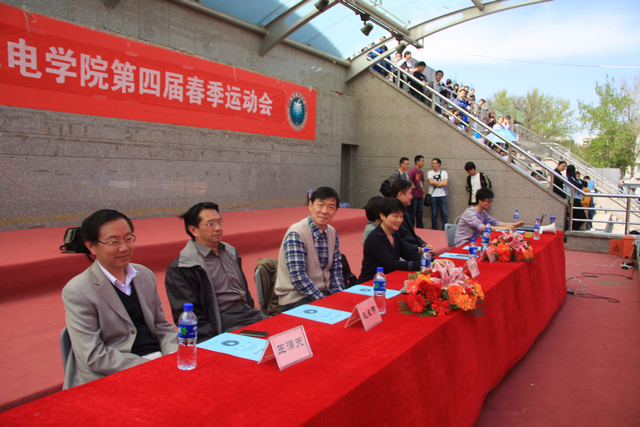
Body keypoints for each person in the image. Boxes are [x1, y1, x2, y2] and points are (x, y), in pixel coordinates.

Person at [62, 210, 178, 389]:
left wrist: (172, 355)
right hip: (114, 373)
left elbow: (162, 326)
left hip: (158, 360)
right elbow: (93, 356)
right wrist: (151, 367)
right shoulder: (78, 291)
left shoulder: (144, 275)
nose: (124, 248)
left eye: (128, 239)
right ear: (91, 246)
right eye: (113, 242)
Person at [165, 202, 262, 343]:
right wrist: (212, 343)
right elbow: (189, 315)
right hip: (222, 323)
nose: (218, 228)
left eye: (220, 222)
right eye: (210, 224)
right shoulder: (182, 267)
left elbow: (245, 292)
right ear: (193, 230)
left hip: (249, 313)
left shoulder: (230, 252)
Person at [275, 187, 345, 311]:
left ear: (336, 210)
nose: (325, 211)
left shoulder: (332, 233)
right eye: (320, 205)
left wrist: (338, 297)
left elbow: (336, 270)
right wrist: (326, 302)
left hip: (324, 294)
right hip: (296, 299)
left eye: (331, 207)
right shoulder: (297, 234)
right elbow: (299, 278)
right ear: (310, 205)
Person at [359, 198, 421, 283]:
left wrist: (433, 261)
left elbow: (410, 255)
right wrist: (423, 265)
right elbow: (391, 264)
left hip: (388, 280)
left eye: (401, 216)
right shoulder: (375, 237)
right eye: (395, 216)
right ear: (383, 216)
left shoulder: (394, 234)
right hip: (371, 283)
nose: (399, 220)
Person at [454, 188, 525, 247]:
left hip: (475, 242)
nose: (490, 204)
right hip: (463, 243)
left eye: (491, 201)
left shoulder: (483, 212)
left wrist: (514, 224)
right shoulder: (470, 213)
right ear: (480, 201)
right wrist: (504, 228)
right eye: (488, 201)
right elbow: (482, 227)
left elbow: (495, 222)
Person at [391, 179, 431, 255]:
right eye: (410, 193)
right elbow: (398, 242)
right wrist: (419, 250)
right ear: (400, 195)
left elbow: (412, 235)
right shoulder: (391, 215)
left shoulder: (405, 213)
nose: (412, 197)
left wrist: (424, 244)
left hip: (414, 250)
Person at [427, 158, 449, 230]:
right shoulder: (430, 172)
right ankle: (434, 228)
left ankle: (445, 228)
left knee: (444, 213)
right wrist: (441, 183)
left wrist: (435, 183)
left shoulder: (444, 173)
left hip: (442, 195)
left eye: (434, 163)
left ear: (439, 164)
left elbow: (445, 183)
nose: (433, 164)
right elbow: (431, 182)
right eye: (432, 163)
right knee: (434, 214)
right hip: (433, 195)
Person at [566, 165, 587, 230]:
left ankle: (574, 229)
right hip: (574, 199)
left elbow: (581, 184)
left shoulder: (573, 179)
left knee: (576, 217)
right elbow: (579, 185)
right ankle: (574, 229)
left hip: (576, 199)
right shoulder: (569, 178)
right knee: (582, 217)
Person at [408, 155, 426, 228]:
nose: (423, 163)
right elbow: (408, 178)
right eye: (422, 161)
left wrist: (423, 192)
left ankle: (420, 227)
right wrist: (413, 184)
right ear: (417, 161)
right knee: (413, 212)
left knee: (420, 212)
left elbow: (422, 182)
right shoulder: (412, 170)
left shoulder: (421, 172)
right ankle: (411, 227)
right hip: (414, 194)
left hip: (420, 194)